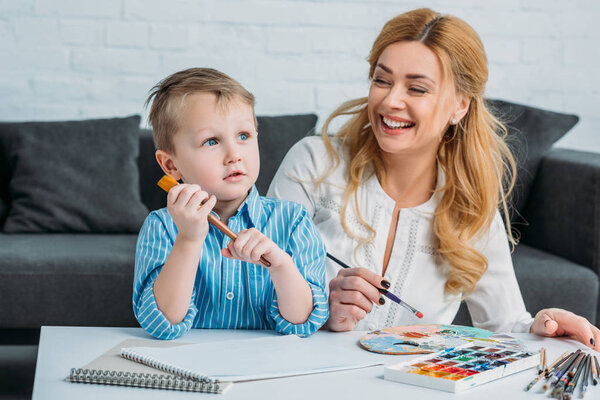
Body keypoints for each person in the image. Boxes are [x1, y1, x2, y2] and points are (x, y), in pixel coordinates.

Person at [268, 8, 599, 349]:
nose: (391, 100)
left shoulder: (472, 213)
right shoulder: (313, 162)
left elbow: (507, 326)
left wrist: (547, 327)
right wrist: (320, 307)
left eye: (417, 88)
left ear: (460, 106)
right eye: (382, 80)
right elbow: (248, 288)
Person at [133, 68, 328, 340]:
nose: (234, 155)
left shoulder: (293, 220)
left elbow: (304, 323)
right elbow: (161, 323)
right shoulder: (162, 226)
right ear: (170, 164)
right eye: (211, 141)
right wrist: (188, 240)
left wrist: (281, 266)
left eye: (244, 136)